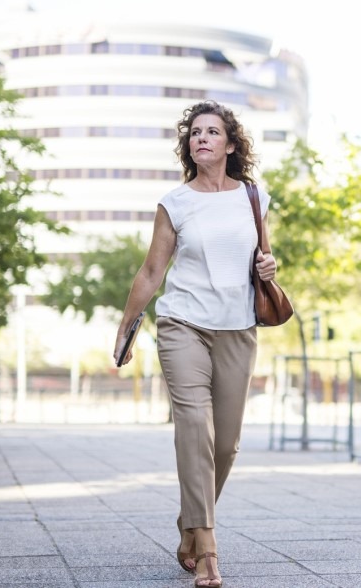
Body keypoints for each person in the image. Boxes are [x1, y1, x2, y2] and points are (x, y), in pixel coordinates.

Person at [114, 100, 277, 588]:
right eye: (195, 133)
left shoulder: (254, 197)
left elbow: (263, 259)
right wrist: (126, 326)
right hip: (182, 323)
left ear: (230, 145)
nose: (201, 138)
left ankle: (189, 525)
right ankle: (207, 549)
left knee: (225, 444)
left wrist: (270, 266)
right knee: (193, 427)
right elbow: (152, 271)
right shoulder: (176, 203)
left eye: (212, 132)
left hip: (238, 328)